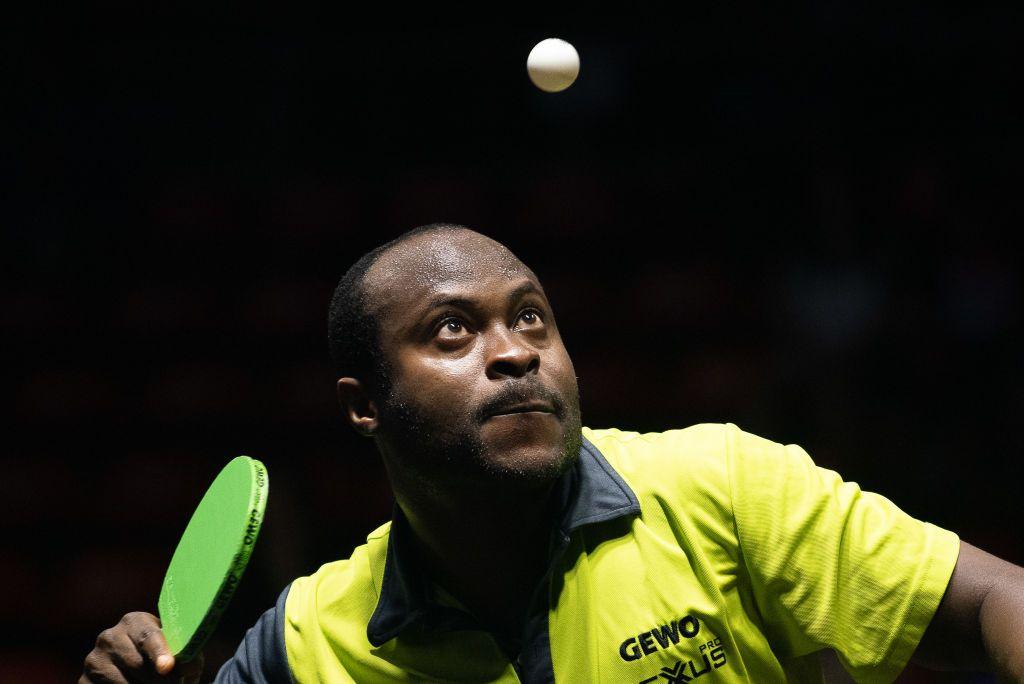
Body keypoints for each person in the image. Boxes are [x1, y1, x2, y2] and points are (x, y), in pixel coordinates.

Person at [81, 224, 1024, 683]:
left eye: (531, 317)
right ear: (364, 408)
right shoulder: (306, 642)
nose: (514, 350)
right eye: (452, 331)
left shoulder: (721, 487)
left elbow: (991, 597)